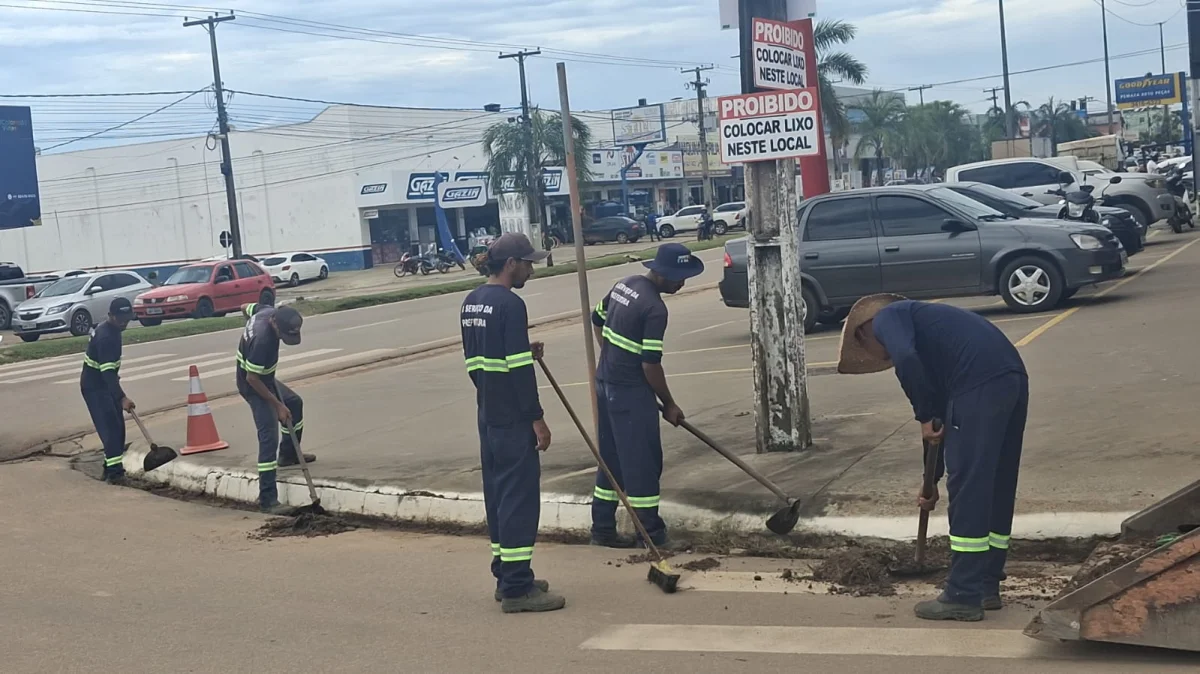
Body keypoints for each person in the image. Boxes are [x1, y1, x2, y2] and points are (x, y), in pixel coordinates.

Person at [837, 294, 1028, 622]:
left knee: (969, 488)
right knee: (996, 482)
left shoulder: (886, 318)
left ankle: (963, 594)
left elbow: (907, 361)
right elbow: (939, 426)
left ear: (863, 332)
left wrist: (923, 413)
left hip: (978, 383)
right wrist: (931, 481)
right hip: (1010, 377)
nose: (883, 357)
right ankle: (986, 585)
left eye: (866, 349)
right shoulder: (933, 338)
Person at [461, 232, 563, 614]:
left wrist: (522, 347)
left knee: (499, 496)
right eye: (528, 264)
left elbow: (480, 360)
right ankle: (518, 589)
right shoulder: (511, 304)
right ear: (510, 264)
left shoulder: (472, 301)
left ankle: (507, 576)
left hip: (488, 412)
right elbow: (519, 372)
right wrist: (537, 419)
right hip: (513, 418)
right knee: (519, 499)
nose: (531, 270)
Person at [589, 243, 705, 550]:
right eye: (679, 277)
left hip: (605, 384)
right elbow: (650, 364)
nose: (682, 283)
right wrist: (669, 404)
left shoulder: (624, 284)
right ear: (662, 273)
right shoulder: (655, 309)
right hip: (630, 393)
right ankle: (651, 536)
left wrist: (610, 356)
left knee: (611, 459)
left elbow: (596, 318)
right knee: (642, 463)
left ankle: (602, 528)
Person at [236, 302, 315, 514]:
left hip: (266, 378)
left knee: (295, 403)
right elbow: (252, 379)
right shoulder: (262, 341)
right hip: (253, 384)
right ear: (274, 324)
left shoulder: (265, 310)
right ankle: (268, 499)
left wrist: (247, 331)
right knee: (269, 436)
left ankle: (288, 455)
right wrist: (278, 405)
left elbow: (244, 307)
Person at [81, 298, 137, 484]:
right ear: (110, 316)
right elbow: (107, 373)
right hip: (95, 388)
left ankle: (109, 468)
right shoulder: (106, 337)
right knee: (111, 428)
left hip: (105, 384)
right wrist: (122, 398)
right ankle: (115, 474)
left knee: (118, 428)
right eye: (120, 319)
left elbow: (110, 372)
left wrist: (117, 393)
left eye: (126, 318)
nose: (124, 322)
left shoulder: (113, 330)